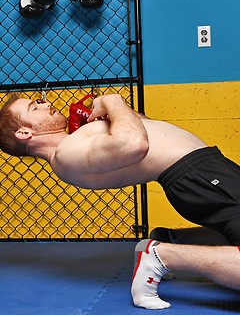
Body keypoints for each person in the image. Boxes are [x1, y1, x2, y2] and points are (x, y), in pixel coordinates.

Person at [0, 93, 240, 308]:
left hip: (207, 170)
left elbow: (146, 126)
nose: (45, 103)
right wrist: (112, 101)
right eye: (35, 107)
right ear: (24, 133)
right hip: (198, 176)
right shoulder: (65, 155)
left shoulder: (77, 141)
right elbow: (136, 144)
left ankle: (171, 239)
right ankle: (161, 254)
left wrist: (112, 114)